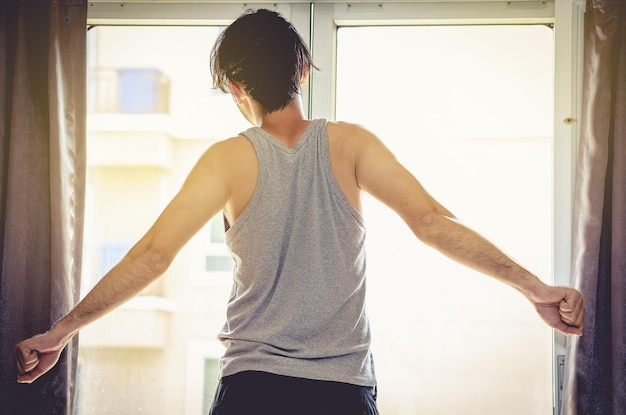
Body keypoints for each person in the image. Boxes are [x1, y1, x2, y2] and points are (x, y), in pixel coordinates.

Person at [15, 9, 584, 415]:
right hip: (341, 392)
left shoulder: (225, 160)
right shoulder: (352, 144)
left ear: (236, 86)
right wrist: (535, 288)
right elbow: (435, 223)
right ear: (303, 71)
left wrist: (61, 332)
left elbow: (152, 255)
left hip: (252, 390)